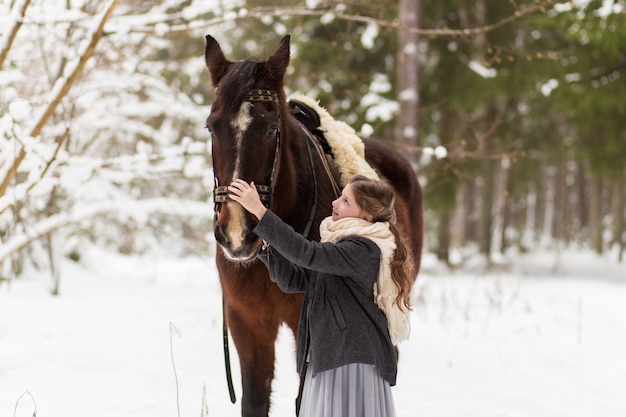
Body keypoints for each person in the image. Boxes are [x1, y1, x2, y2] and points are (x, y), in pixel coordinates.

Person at [228, 175, 415, 417]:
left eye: (346, 201)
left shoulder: (363, 249)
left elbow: (307, 253)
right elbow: (293, 280)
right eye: (340, 197)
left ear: (367, 216)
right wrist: (264, 245)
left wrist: (261, 213)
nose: (335, 204)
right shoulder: (339, 246)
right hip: (332, 354)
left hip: (352, 360)